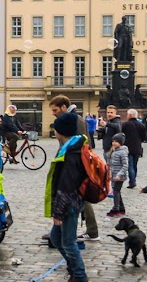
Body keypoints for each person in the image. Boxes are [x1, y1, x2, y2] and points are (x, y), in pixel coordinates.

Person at [45, 111, 89, 282]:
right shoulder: (69, 148)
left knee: (68, 242)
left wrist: (58, 212)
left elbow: (66, 185)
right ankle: (73, 269)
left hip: (69, 204)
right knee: (56, 238)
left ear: (60, 131)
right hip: (69, 203)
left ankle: (79, 276)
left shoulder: (71, 153)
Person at [49, 96, 98, 241]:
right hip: (74, 164)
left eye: (55, 110)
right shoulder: (73, 119)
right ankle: (61, 231)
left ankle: (88, 230)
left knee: (77, 198)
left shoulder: (75, 120)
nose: (53, 113)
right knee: (76, 198)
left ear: (64, 107)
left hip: (75, 165)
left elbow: (80, 144)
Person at [121, 109, 147, 189]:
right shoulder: (141, 125)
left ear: (130, 115)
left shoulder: (125, 124)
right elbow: (144, 137)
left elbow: (122, 135)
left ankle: (132, 181)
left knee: (130, 165)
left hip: (127, 147)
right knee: (134, 165)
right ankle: (133, 179)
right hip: (137, 147)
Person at [107, 133, 129, 217]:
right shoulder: (113, 151)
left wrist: (119, 174)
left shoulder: (122, 152)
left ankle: (116, 208)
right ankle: (122, 208)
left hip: (120, 176)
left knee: (116, 191)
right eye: (113, 141)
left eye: (116, 141)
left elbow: (125, 165)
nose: (114, 143)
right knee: (117, 191)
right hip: (114, 175)